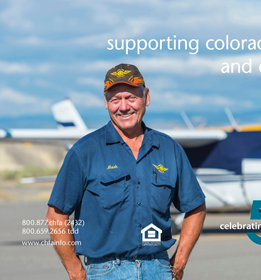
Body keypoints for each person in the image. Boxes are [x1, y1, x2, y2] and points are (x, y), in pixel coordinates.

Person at [46, 63, 206, 280]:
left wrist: (179, 261)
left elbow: (196, 206)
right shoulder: (84, 151)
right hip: (106, 272)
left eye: (131, 97)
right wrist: (75, 271)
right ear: (106, 102)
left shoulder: (170, 149)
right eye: (115, 99)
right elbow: (56, 215)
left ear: (146, 97)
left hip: (159, 269)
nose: (123, 107)